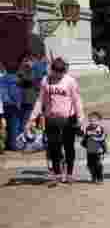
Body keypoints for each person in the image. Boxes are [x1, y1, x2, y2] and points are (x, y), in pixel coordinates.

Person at [26, 57, 83, 185]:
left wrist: (80, 118)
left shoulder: (70, 81)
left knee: (69, 147)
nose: (58, 74)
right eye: (56, 71)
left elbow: (76, 100)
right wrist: (32, 118)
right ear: (52, 70)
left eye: (61, 71)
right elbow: (40, 100)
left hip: (69, 119)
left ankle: (69, 174)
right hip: (51, 118)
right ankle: (57, 174)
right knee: (54, 147)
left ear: (64, 71)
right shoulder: (46, 80)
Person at [81, 111, 108, 184]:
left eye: (94, 121)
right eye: (90, 121)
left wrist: (105, 151)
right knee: (90, 165)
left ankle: (100, 178)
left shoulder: (101, 129)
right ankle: (93, 176)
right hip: (90, 150)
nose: (92, 122)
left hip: (98, 150)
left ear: (99, 121)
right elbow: (85, 137)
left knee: (98, 165)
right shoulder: (88, 128)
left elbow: (103, 138)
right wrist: (84, 141)